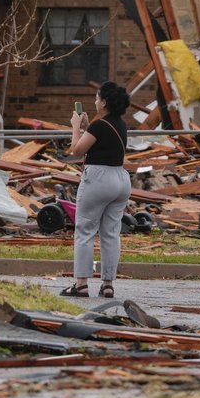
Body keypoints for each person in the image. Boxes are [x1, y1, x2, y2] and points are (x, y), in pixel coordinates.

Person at [59, 80, 131, 298]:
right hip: (120, 179)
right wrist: (87, 127)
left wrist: (75, 127)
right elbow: (101, 142)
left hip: (98, 179)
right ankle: (108, 284)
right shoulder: (119, 124)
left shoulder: (99, 126)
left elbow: (77, 150)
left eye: (97, 98)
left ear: (105, 102)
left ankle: (81, 283)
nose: (95, 101)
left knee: (85, 231)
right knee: (111, 234)